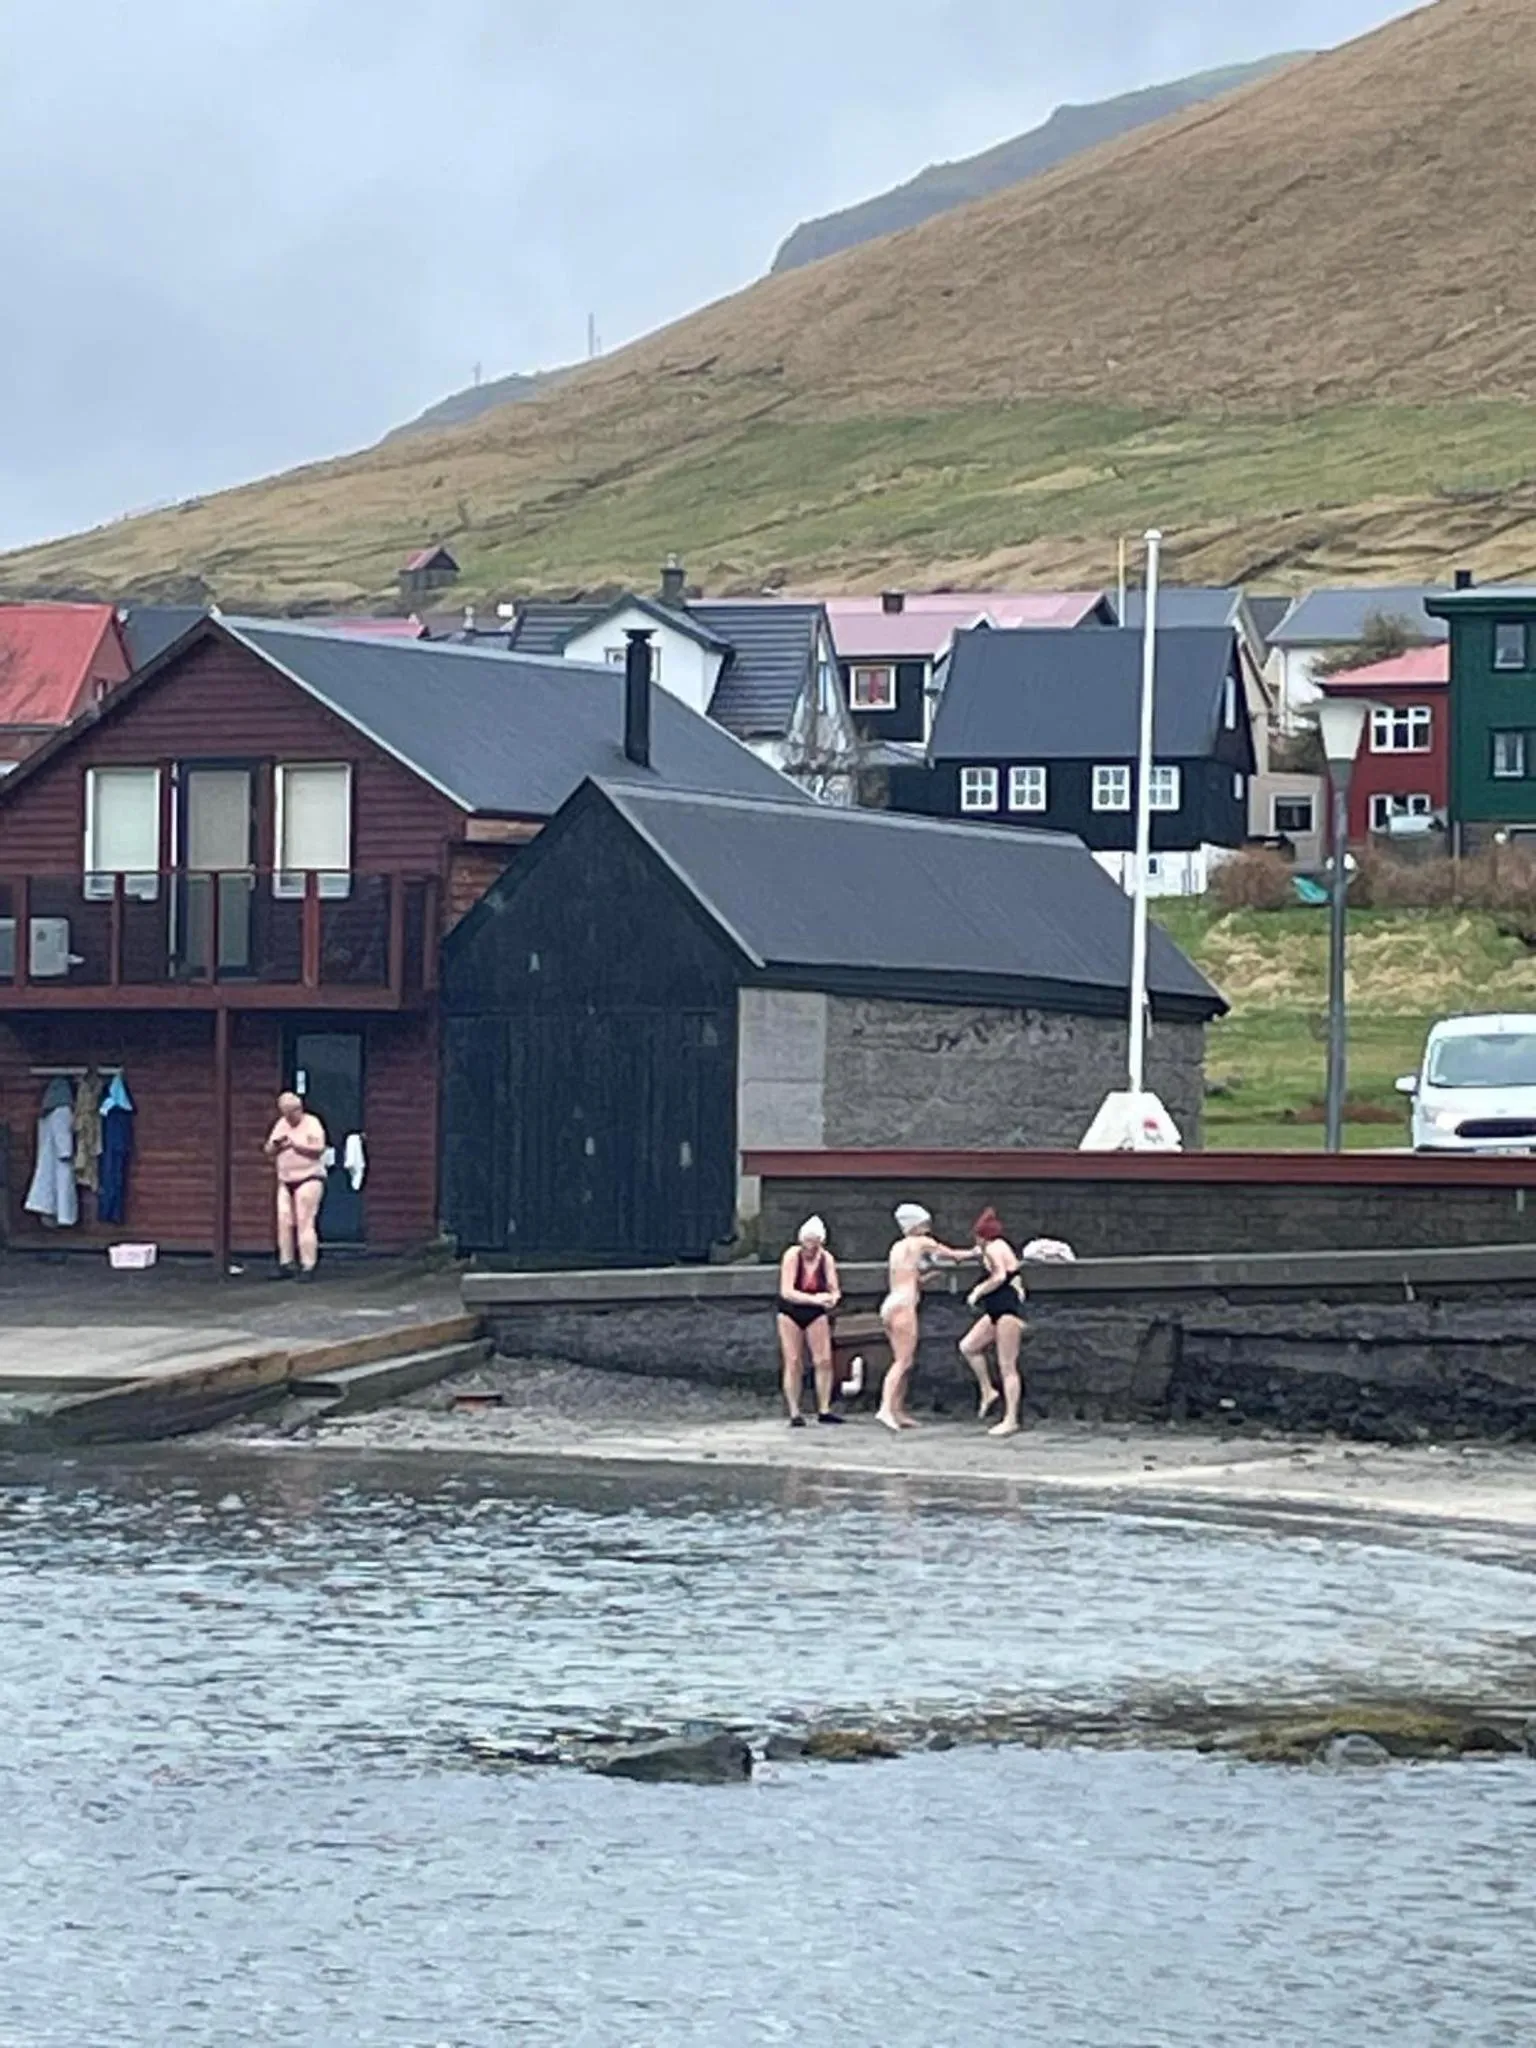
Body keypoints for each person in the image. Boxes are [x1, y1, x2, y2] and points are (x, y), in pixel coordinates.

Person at [878, 1203, 977, 1433]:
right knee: (902, 1362)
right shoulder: (923, 1243)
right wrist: (976, 1252)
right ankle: (885, 1408)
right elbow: (953, 1256)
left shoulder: (897, 1247)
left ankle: (897, 1409)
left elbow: (908, 1278)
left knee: (903, 1360)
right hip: (904, 1306)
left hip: (891, 1303)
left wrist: (929, 1277)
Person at [959, 1208, 1029, 1438]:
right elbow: (973, 1254)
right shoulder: (994, 1247)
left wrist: (977, 1292)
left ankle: (1011, 1419)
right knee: (969, 1346)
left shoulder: (993, 1249)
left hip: (1007, 1311)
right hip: (995, 1312)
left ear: (981, 1237)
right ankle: (987, 1390)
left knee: (1007, 1366)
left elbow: (999, 1275)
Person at [776, 1216, 843, 1428]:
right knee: (793, 1360)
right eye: (807, 1241)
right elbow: (787, 1291)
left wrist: (833, 1298)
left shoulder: (826, 1259)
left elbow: (833, 1287)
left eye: (815, 1242)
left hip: (816, 1312)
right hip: (791, 1311)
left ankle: (824, 1408)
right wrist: (814, 1298)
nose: (810, 1247)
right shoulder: (792, 1256)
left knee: (823, 1360)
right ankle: (795, 1411)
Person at [264, 1091, 329, 1280]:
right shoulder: (281, 1124)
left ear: (299, 1109)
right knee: (284, 1221)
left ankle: (308, 1265)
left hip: (308, 1177)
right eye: (285, 1113)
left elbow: (319, 1149)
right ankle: (287, 1262)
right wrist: (276, 1146)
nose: (289, 1117)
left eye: (291, 1113)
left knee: (304, 1220)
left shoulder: (312, 1123)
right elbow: (268, 1149)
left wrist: (295, 1145)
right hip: (285, 1179)